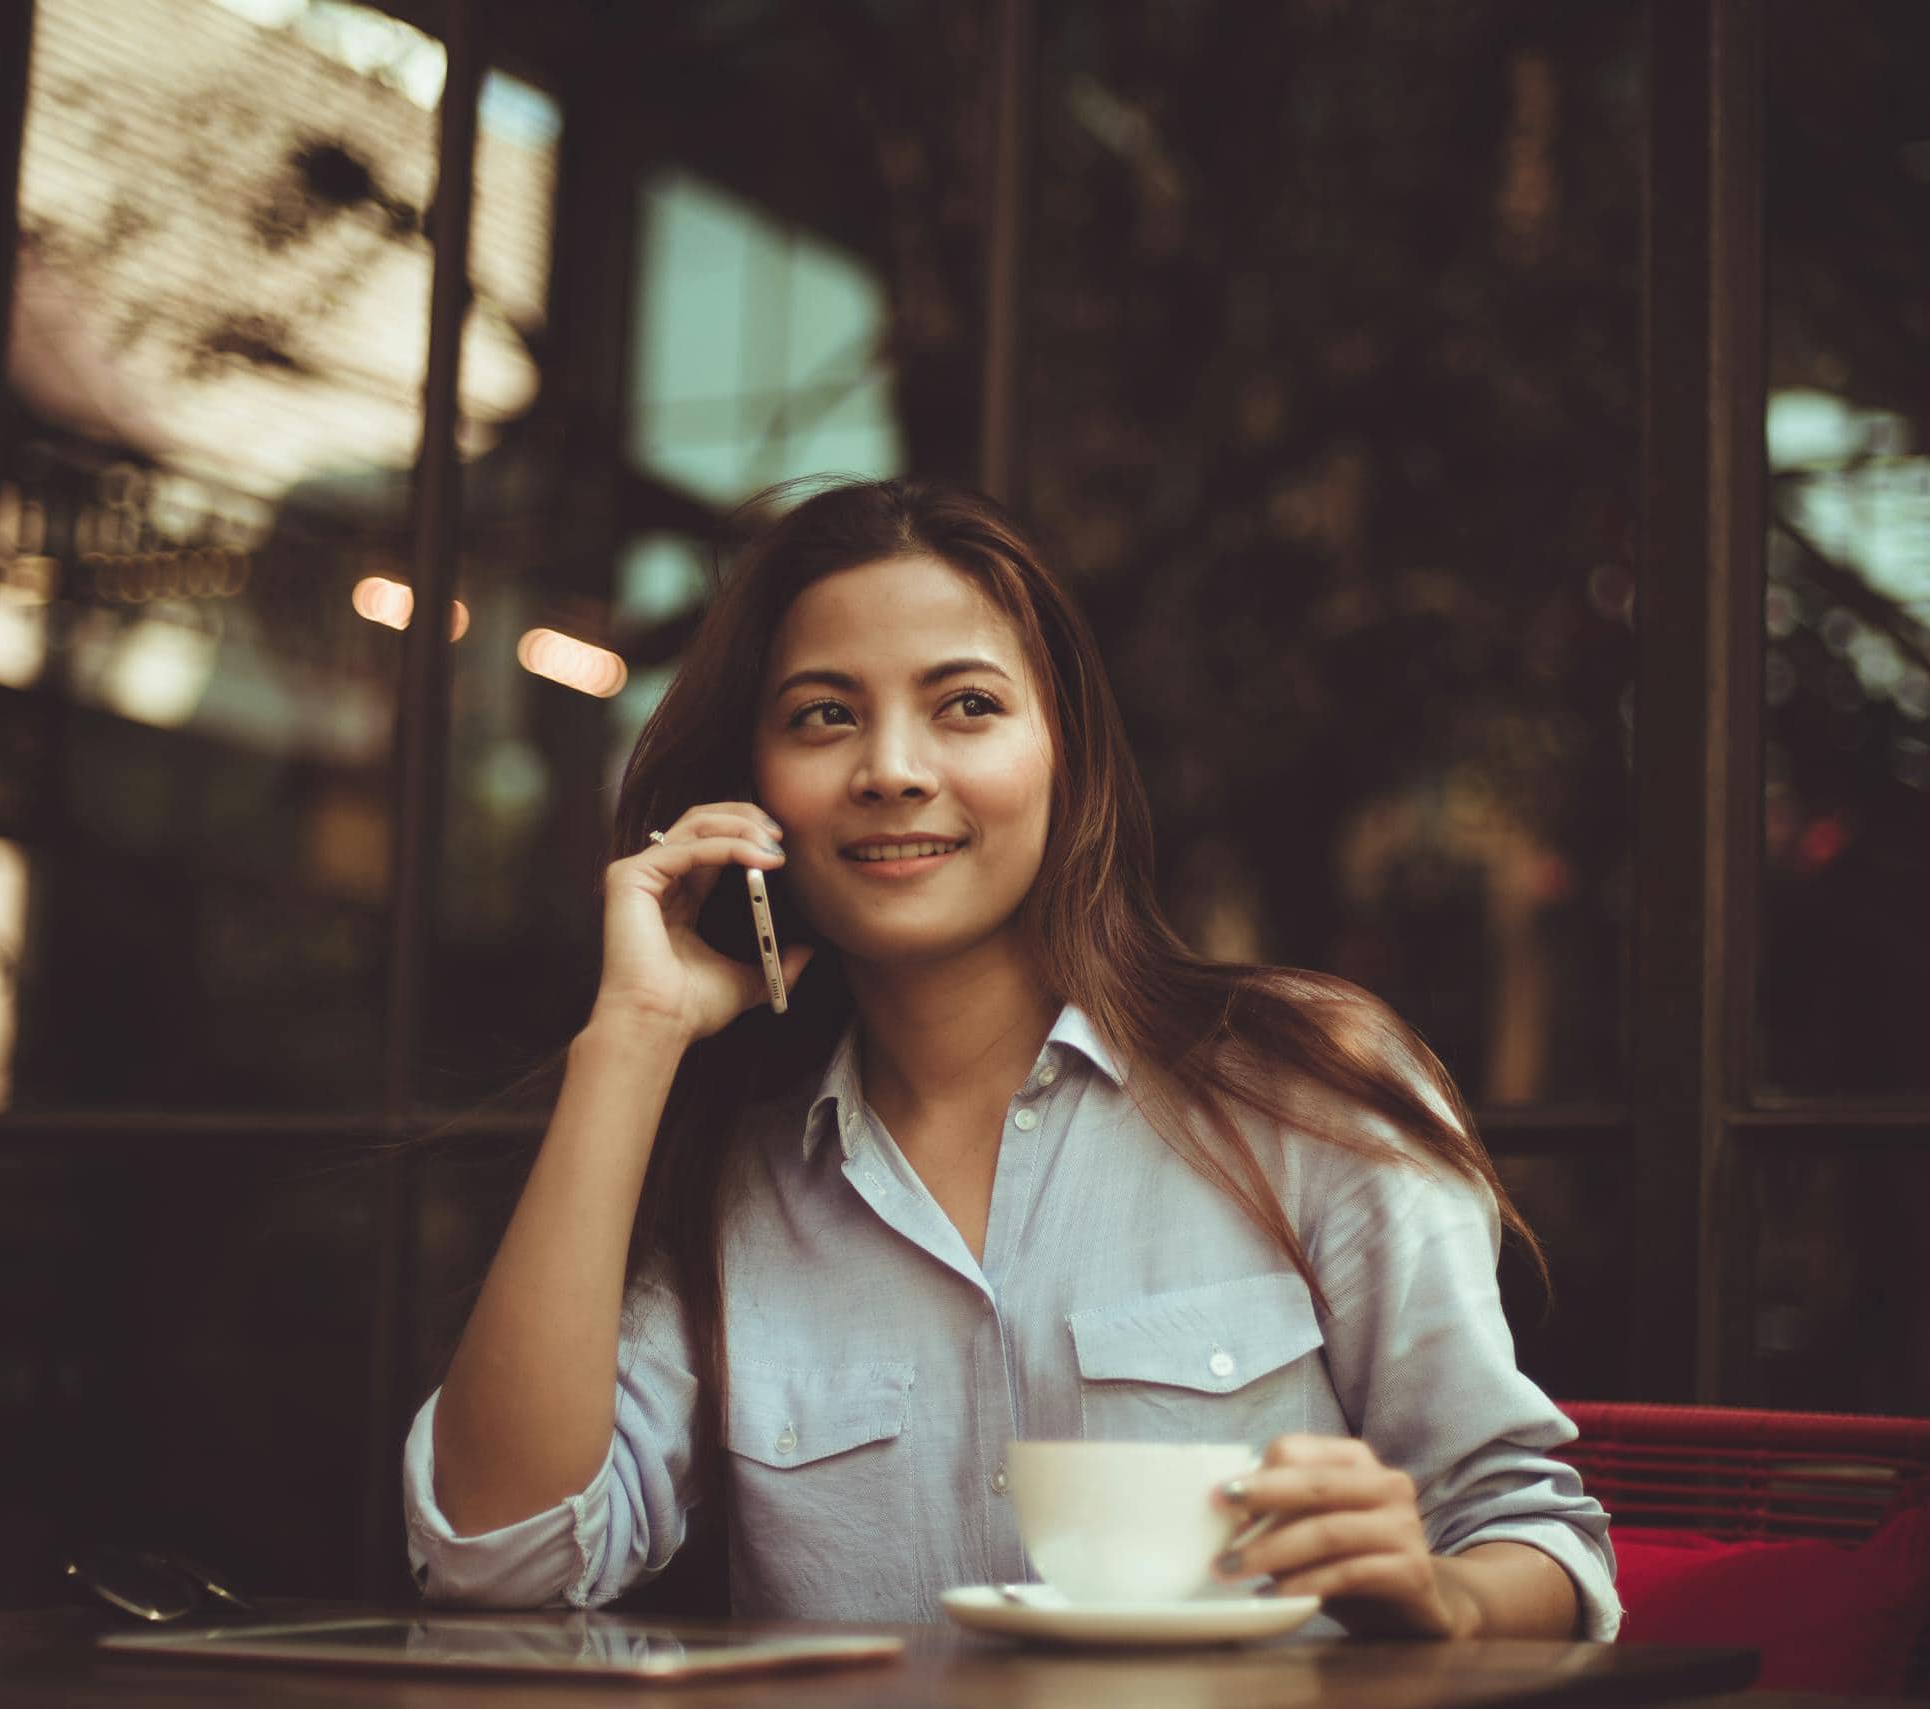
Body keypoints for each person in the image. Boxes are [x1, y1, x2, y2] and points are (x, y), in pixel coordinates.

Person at [404, 476, 1619, 1639]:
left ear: (1065, 758)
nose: (889, 767)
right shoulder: (732, 1181)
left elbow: (1531, 1533)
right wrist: (630, 1038)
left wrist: (1442, 1597)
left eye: (966, 705)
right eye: (825, 714)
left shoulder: (1298, 1085)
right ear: (757, 790)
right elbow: (495, 1557)